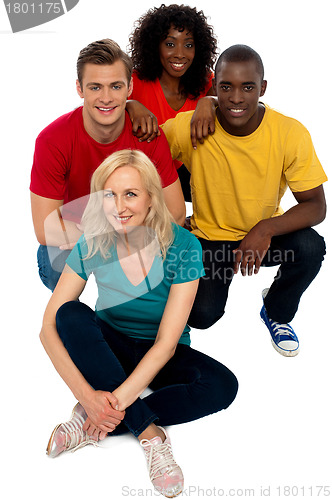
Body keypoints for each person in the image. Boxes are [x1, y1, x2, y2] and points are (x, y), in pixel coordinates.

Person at [39, 149, 238, 498]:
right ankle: (149, 435)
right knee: (69, 313)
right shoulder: (93, 241)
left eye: (131, 194)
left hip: (161, 350)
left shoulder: (184, 245)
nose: (119, 206)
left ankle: (93, 426)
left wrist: (105, 407)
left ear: (151, 197)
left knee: (223, 386)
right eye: (109, 195)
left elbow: (165, 344)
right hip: (109, 346)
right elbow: (48, 329)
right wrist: (86, 396)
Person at [162, 44, 327, 357]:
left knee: (310, 247)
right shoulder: (191, 127)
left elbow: (316, 205)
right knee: (201, 317)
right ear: (215, 87)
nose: (236, 98)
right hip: (209, 240)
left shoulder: (289, 132)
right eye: (226, 87)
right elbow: (141, 163)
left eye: (248, 87)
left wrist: (264, 229)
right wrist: (131, 105)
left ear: (262, 88)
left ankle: (276, 312)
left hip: (263, 241)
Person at [30, 38, 185, 292]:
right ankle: (76, 320)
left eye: (115, 86)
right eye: (95, 87)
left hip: (134, 229)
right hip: (79, 230)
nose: (106, 98)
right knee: (54, 263)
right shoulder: (52, 140)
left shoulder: (147, 136)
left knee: (173, 255)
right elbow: (45, 229)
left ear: (130, 87)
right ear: (79, 88)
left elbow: (177, 213)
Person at [128, 3, 217, 201]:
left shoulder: (206, 83)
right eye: (170, 44)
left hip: (192, 174)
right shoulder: (135, 82)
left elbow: (243, 104)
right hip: (146, 177)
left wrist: (209, 101)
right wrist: (130, 104)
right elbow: (102, 107)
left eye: (188, 44)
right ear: (154, 45)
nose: (180, 53)